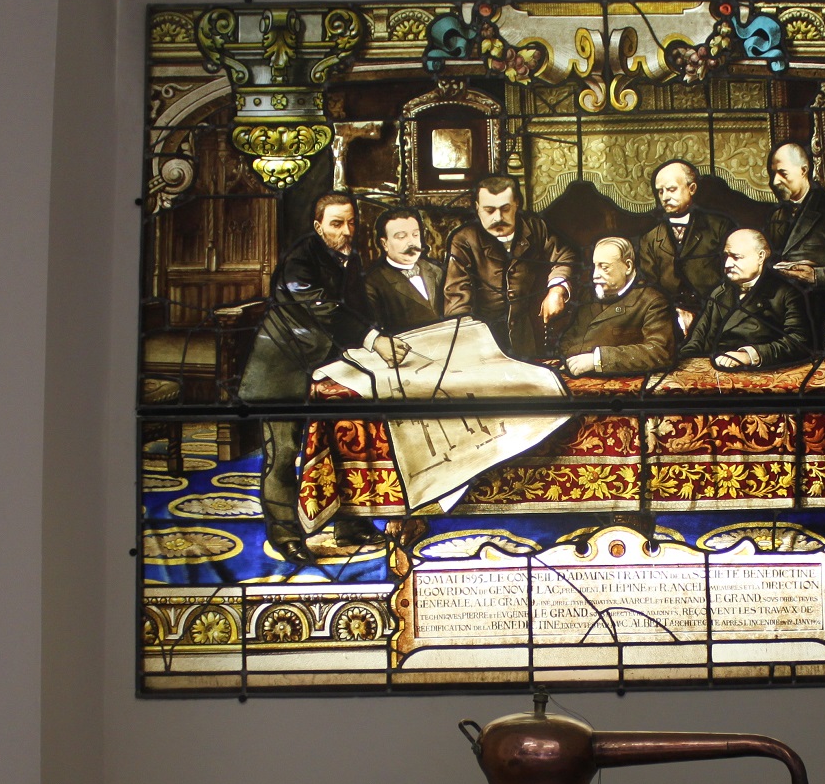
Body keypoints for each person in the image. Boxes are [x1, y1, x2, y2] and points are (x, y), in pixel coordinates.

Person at [235, 192, 387, 563]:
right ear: (318, 226)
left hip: (327, 369)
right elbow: (322, 307)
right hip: (281, 370)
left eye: (351, 223)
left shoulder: (350, 257)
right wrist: (372, 339)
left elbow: (359, 307)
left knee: (344, 446)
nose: (346, 231)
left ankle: (351, 524)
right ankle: (286, 536)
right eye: (336, 224)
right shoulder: (300, 258)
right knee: (283, 455)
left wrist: (377, 334)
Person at [441, 174, 574, 360]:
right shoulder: (464, 240)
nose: (498, 218)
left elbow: (564, 255)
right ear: (477, 208)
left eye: (505, 209)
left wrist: (557, 290)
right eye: (489, 210)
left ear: (516, 204)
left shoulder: (535, 227)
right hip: (484, 341)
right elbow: (457, 300)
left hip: (526, 337)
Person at [675, 229, 812, 370]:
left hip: (759, 374)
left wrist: (749, 356)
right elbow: (696, 340)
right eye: (726, 256)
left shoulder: (786, 294)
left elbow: (799, 342)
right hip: (714, 372)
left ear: (760, 257)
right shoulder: (719, 293)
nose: (727, 264)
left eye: (736, 257)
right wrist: (685, 363)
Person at [635, 159, 735, 334]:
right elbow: (648, 288)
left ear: (692, 189)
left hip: (717, 316)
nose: (665, 197)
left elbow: (733, 280)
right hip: (669, 319)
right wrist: (673, 313)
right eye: (660, 191)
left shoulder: (719, 227)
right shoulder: (649, 239)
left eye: (671, 189)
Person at [765, 142, 825, 323]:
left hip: (823, 304)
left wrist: (815, 275)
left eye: (783, 173)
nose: (775, 182)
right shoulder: (777, 214)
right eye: (773, 173)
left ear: (803, 170)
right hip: (785, 306)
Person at [558, 237, 677, 376]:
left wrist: (598, 359)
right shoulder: (587, 296)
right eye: (595, 266)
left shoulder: (652, 301)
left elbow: (659, 352)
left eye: (604, 267)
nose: (595, 275)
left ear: (628, 266)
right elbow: (569, 340)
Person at [362, 207, 444, 338]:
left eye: (415, 235)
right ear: (384, 244)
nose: (411, 243)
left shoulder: (436, 271)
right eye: (401, 237)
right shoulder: (372, 283)